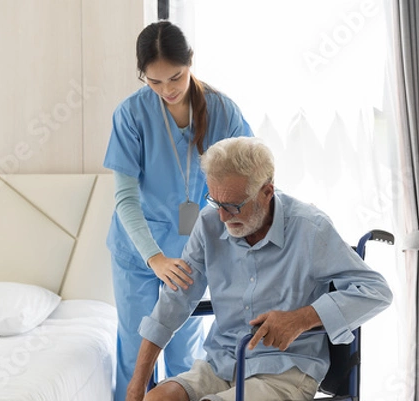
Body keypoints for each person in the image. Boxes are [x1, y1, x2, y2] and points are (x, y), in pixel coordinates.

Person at [125, 137, 393, 401]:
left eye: (232, 206)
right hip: (222, 362)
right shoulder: (210, 222)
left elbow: (376, 291)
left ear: (266, 193)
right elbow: (175, 300)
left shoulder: (311, 228)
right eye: (215, 202)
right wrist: (136, 388)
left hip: (286, 369)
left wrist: (301, 319)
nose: (222, 217)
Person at [103, 21, 254, 401]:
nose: (167, 90)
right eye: (155, 82)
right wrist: (153, 257)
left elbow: (250, 176)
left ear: (191, 62)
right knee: (135, 350)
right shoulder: (131, 115)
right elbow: (125, 198)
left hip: (191, 251)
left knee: (184, 353)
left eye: (176, 77)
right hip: (138, 251)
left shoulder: (222, 112)